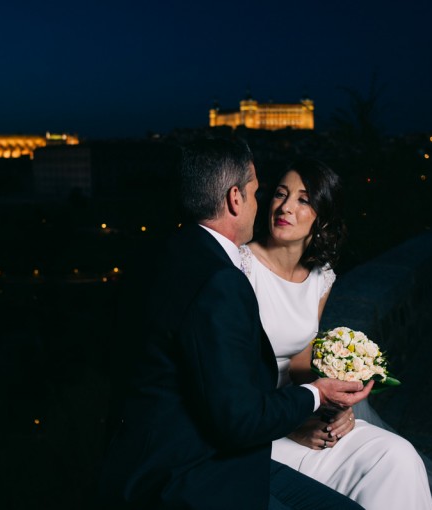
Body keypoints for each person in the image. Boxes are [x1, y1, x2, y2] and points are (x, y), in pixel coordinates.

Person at [97, 136, 375, 509]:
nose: (264, 205)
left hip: (163, 452)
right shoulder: (221, 280)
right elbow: (239, 421)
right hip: (193, 475)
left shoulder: (160, 254)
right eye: (259, 193)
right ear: (235, 199)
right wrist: (319, 394)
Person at [238, 158, 432, 509]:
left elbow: (300, 357)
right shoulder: (241, 268)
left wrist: (329, 411)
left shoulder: (320, 276)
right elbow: (234, 382)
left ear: (322, 216)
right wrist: (294, 425)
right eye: (280, 195)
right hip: (260, 428)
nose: (285, 207)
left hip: (300, 409)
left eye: (303, 199)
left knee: (397, 457)